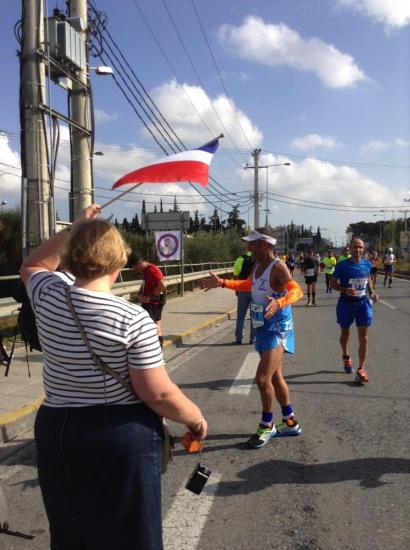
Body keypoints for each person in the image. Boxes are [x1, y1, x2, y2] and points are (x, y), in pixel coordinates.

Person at [20, 205, 208, 550]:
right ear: (120, 264)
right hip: (120, 435)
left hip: (57, 427)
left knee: (72, 531)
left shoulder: (47, 294)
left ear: (70, 256)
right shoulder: (132, 317)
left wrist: (75, 228)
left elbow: (32, 265)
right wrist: (195, 418)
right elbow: (157, 394)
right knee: (133, 535)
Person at [201, 227, 303, 448]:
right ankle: (291, 422)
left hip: (278, 329)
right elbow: (248, 285)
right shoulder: (258, 265)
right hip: (262, 326)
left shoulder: (278, 267)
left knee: (262, 379)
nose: (248, 247)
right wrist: (222, 283)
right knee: (275, 377)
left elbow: (297, 291)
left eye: (253, 244)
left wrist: (280, 302)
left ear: (265, 245)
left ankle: (268, 425)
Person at [331, 237, 378, 383]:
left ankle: (361, 369)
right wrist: (344, 289)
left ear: (363, 249)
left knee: (363, 337)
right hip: (346, 303)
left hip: (363, 304)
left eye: (360, 247)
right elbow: (333, 283)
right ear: (349, 248)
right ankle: (346, 357)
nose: (357, 250)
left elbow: (367, 278)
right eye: (355, 247)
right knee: (346, 333)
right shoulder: (342, 265)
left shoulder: (367, 264)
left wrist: (372, 292)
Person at [129, 253, 167, 347]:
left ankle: (154, 348)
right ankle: (158, 347)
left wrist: (150, 297)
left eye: (135, 267)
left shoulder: (151, 269)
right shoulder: (147, 271)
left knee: (149, 328)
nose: (135, 270)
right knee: (156, 325)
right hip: (154, 303)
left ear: (140, 262)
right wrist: (140, 294)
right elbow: (147, 284)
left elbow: (162, 285)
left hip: (151, 304)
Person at [232, 250, 255, 344]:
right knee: (254, 315)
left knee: (241, 315)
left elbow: (235, 276)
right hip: (254, 291)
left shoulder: (239, 259)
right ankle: (253, 338)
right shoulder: (258, 259)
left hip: (242, 289)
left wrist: (236, 289)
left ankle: (239, 338)